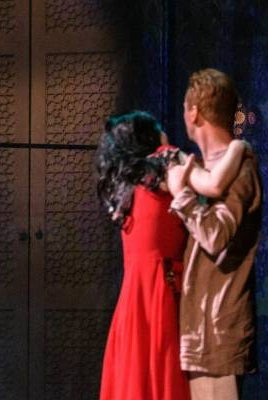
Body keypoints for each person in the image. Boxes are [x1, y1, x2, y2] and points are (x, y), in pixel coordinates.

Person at [97, 111, 246, 400]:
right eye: (158, 127)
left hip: (133, 301)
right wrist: (239, 147)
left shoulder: (124, 184)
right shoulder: (166, 159)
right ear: (150, 136)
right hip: (163, 292)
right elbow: (215, 184)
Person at [167, 68, 262, 400]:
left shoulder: (240, 171)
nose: (183, 114)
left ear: (194, 112)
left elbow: (216, 236)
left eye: (184, 107)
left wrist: (182, 197)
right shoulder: (207, 171)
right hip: (202, 334)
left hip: (219, 334)